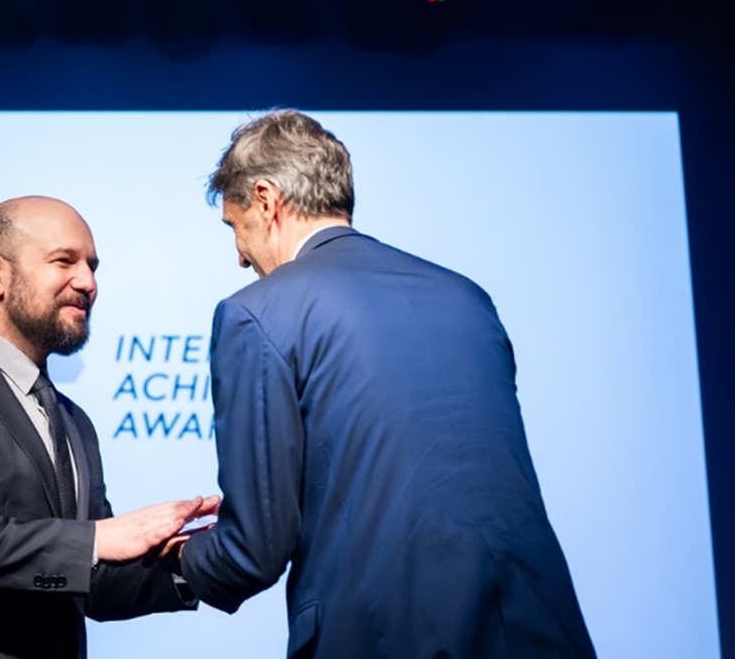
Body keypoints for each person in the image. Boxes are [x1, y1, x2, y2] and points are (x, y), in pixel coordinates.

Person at [172, 109, 596, 657]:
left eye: (236, 228)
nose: (239, 257)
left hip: (382, 635)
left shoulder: (256, 314)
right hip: (539, 629)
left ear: (267, 199)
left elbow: (254, 550)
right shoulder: (467, 297)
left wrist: (175, 561)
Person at [0, 195, 217, 658]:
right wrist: (95, 539)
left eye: (92, 266)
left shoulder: (74, 421)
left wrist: (200, 562)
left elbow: (87, 579)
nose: (87, 282)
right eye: (64, 261)